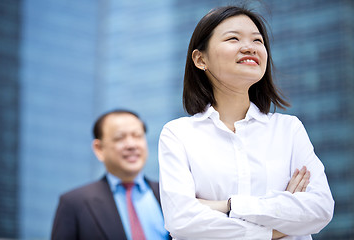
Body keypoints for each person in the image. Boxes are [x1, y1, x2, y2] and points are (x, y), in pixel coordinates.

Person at [158, 5, 334, 240]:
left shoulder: (288, 129)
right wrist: (277, 225)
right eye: (233, 38)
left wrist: (228, 205)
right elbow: (180, 220)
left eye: (258, 41)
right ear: (200, 59)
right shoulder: (178, 134)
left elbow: (320, 209)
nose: (249, 47)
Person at [52, 110, 170, 240]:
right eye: (120, 138)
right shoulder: (74, 203)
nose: (131, 145)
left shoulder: (169, 193)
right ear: (99, 148)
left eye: (137, 136)